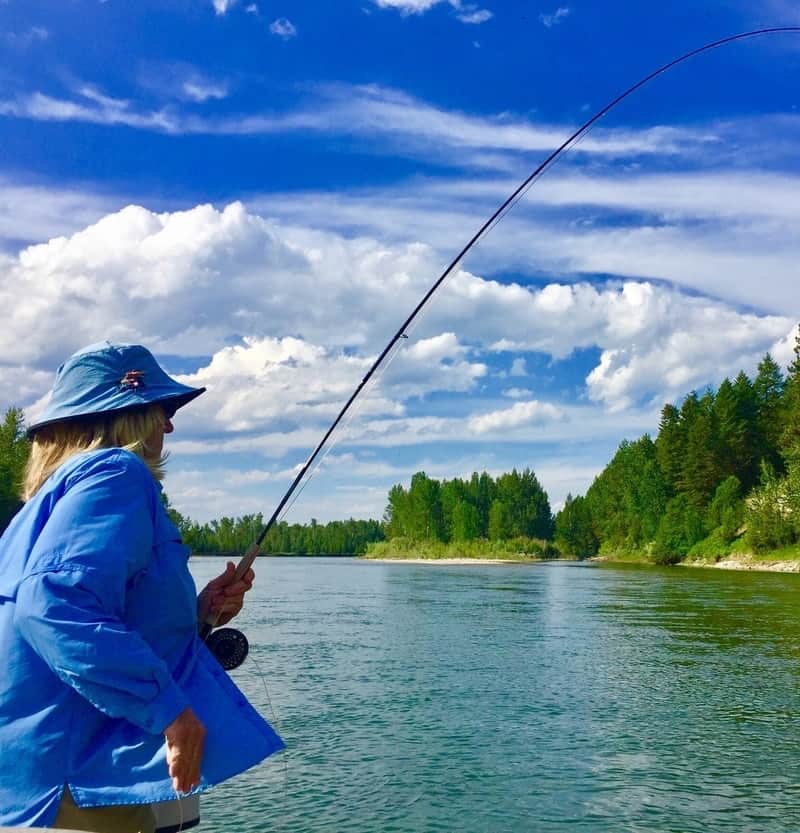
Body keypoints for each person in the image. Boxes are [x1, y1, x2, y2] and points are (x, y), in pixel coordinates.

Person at [0, 342, 284, 832]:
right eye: (160, 409)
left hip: (36, 777)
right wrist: (168, 709)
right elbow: (52, 604)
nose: (169, 425)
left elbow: (71, 604)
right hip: (75, 784)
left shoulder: (44, 502)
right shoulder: (118, 473)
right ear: (124, 417)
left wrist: (199, 615)